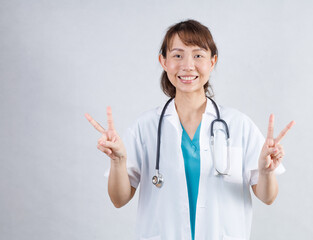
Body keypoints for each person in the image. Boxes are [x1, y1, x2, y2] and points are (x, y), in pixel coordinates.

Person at [85, 19, 295, 240]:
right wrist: (118, 161)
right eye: (177, 55)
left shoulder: (238, 125)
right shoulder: (145, 127)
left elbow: (267, 197)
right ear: (163, 61)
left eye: (198, 55)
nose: (187, 65)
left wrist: (266, 172)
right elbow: (119, 199)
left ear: (212, 62)